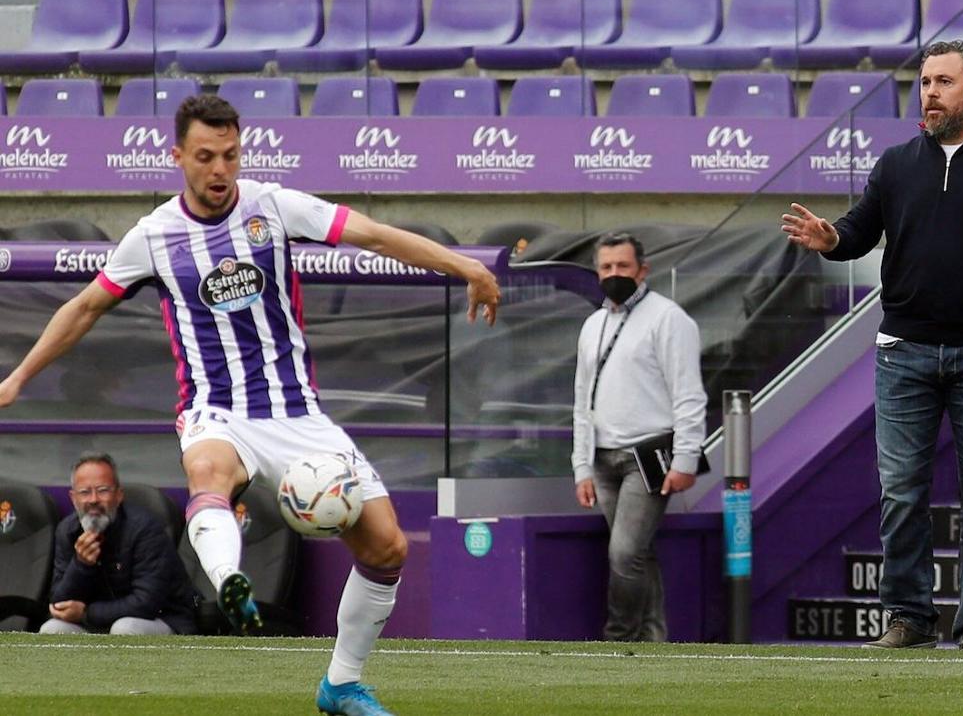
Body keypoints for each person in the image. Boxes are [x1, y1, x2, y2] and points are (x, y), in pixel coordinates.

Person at [0, 95, 500, 716]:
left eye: (230, 156)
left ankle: (340, 685)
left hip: (298, 413)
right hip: (216, 409)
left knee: (388, 548)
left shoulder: (274, 207)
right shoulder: (154, 236)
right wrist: (17, 377)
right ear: (178, 155)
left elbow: (373, 234)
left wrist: (465, 266)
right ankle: (228, 578)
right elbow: (84, 308)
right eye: (205, 156)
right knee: (208, 470)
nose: (219, 170)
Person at [781, 40, 963, 651]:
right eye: (925, 81)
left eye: (944, 81)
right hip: (903, 352)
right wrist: (830, 236)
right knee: (901, 493)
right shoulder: (895, 163)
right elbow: (858, 232)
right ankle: (909, 618)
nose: (931, 92)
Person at [571, 233, 707, 642]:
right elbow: (582, 398)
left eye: (623, 267)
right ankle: (653, 640)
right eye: (606, 267)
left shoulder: (669, 319)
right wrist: (581, 465)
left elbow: (688, 393)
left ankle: (619, 637)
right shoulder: (593, 324)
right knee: (637, 553)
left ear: (642, 270)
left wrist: (685, 459)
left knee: (624, 553)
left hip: (646, 457)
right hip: (602, 457)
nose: (614, 274)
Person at [40, 451, 197, 636]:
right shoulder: (67, 531)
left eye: (103, 490)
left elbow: (146, 602)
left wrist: (86, 613)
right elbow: (59, 604)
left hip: (161, 619)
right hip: (97, 623)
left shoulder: (145, 529)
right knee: (52, 629)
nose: (93, 500)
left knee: (124, 628)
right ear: (73, 498)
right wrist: (81, 565)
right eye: (84, 492)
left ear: (119, 495)